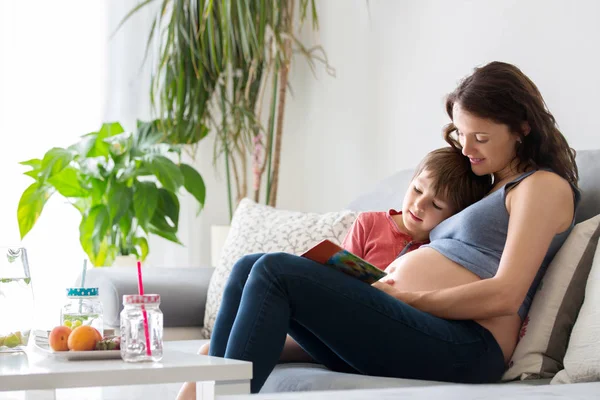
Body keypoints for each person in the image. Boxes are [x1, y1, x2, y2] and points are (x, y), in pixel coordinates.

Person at [177, 61, 580, 398]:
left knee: (274, 272)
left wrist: (409, 299)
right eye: (461, 133)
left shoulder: (541, 186)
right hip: (419, 326)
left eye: (481, 137)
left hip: (468, 345)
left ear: (522, 128)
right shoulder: (487, 184)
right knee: (250, 265)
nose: (467, 148)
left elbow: (507, 293)